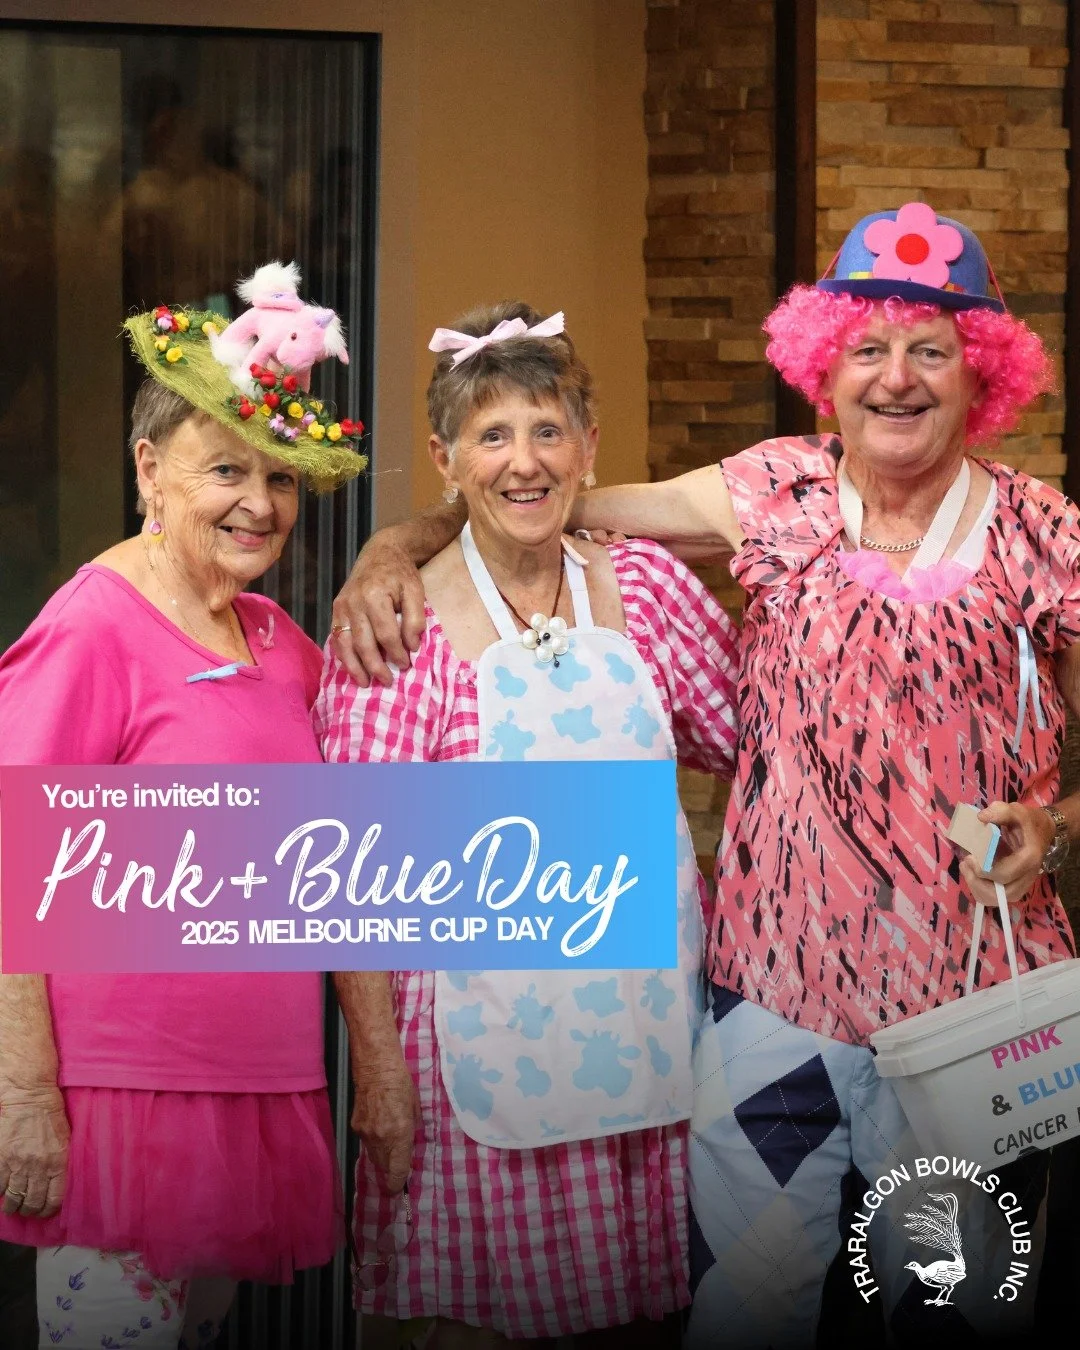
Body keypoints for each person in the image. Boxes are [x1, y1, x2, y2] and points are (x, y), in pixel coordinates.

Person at [328, 206, 1079, 1348]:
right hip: (776, 1000)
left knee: (946, 1310)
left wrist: (1059, 824)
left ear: (981, 374)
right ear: (824, 367)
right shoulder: (772, 489)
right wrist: (393, 547)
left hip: (976, 1006)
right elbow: (541, 501)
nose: (897, 378)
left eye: (932, 349)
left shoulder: (1042, 531)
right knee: (745, 1304)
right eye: (867, 349)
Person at [317, 302, 739, 1348]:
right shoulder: (398, 621)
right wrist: (378, 1079)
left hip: (646, 1048)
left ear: (588, 447)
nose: (524, 462)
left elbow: (755, 746)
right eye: (492, 434)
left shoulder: (644, 589)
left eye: (548, 430)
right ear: (445, 457)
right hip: (473, 1060)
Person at [0, 261, 366, 1349]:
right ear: (151, 470)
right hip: (124, 1106)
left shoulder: (273, 642)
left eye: (281, 479)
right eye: (226, 472)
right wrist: (24, 1094)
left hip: (250, 1093)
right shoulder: (93, 625)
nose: (260, 504)